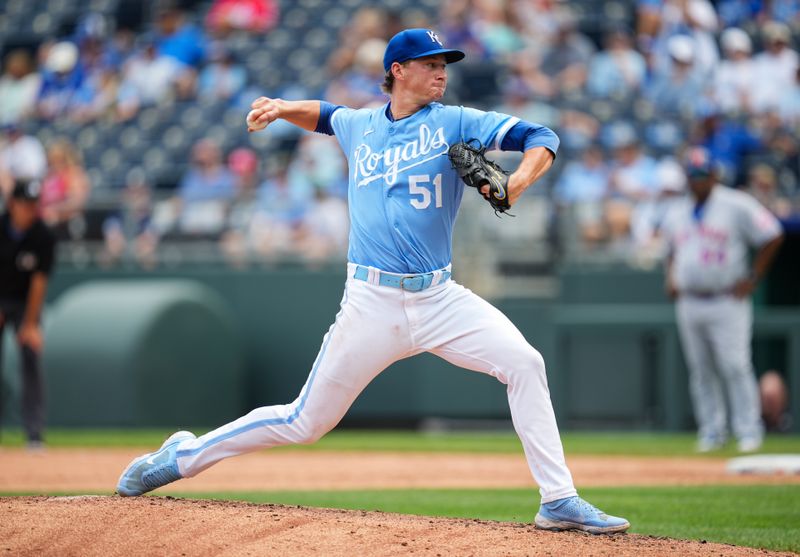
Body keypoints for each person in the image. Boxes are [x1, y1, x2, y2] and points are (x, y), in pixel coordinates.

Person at [117, 28, 630, 535]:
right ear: (398, 71)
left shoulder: (456, 121)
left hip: (439, 298)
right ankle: (182, 455)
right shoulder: (362, 125)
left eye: (443, 63)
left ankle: (559, 499)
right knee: (305, 422)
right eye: (430, 63)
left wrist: (515, 184)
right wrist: (280, 106)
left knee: (525, 363)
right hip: (371, 303)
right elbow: (324, 115)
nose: (441, 72)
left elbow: (544, 137)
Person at [662, 147, 784, 453]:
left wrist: (754, 277)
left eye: (702, 175)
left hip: (726, 298)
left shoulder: (736, 203)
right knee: (701, 369)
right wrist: (671, 277)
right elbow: (670, 251)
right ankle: (712, 431)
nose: (697, 181)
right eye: (692, 175)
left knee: (735, 365)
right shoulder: (677, 210)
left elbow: (772, 234)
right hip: (690, 300)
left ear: (715, 175)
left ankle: (748, 429)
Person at [0, 180, 57, 448]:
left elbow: (39, 281)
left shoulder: (42, 234)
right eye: (26, 205)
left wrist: (31, 323)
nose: (31, 210)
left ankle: (34, 434)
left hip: (25, 303)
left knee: (31, 358)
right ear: (12, 204)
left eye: (35, 205)